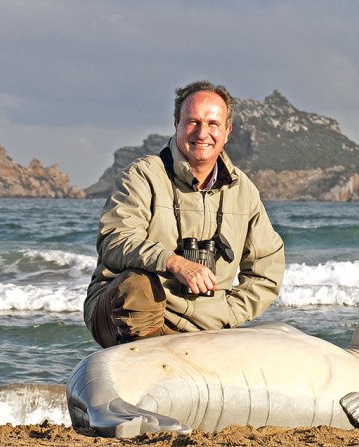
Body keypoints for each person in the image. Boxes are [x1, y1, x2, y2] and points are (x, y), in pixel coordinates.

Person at [84, 80, 285, 348]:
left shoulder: (243, 190)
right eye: (193, 122)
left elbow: (267, 268)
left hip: (204, 322)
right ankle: (143, 364)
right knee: (138, 286)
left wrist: (228, 313)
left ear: (227, 131)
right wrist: (175, 263)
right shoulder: (143, 175)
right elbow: (115, 240)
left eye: (213, 124)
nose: (203, 133)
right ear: (176, 124)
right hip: (128, 314)